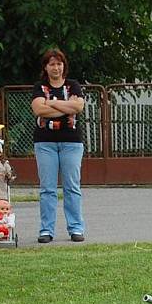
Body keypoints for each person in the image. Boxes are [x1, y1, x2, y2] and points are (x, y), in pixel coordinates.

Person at [30, 48, 86, 243]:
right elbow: (38, 109)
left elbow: (78, 107)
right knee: (47, 188)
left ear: (64, 66)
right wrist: (65, 106)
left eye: (59, 63)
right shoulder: (39, 86)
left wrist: (51, 103)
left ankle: (76, 228)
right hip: (45, 142)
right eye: (52, 64)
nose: (56, 67)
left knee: (72, 186)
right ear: (46, 67)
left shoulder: (73, 85)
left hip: (71, 142)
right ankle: (46, 230)